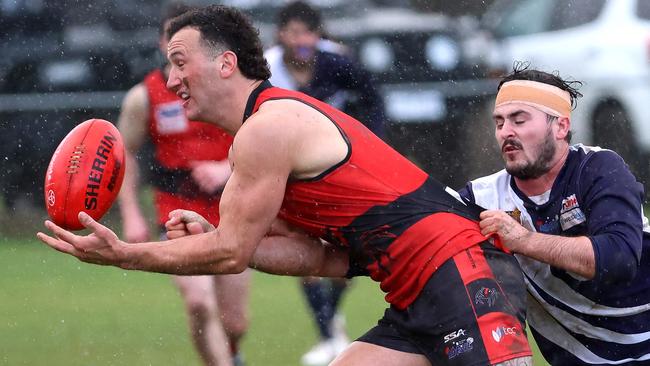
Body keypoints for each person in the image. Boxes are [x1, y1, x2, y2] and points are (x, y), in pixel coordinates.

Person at [37, 5, 533, 365]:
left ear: (226, 63)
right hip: (416, 293)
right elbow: (319, 259)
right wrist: (220, 234)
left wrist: (125, 254)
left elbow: (229, 254)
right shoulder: (257, 138)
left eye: (180, 60)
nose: (170, 79)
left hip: (465, 273)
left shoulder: (268, 129)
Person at [459, 64, 650, 365]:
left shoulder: (599, 169)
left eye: (519, 120)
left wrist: (523, 240)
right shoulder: (481, 198)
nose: (506, 132)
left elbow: (618, 258)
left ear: (561, 127)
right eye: (499, 123)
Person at [116, 3, 249, 365]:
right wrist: (131, 213)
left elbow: (263, 136)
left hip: (231, 207)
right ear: (162, 43)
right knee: (199, 303)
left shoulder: (228, 87)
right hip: (176, 210)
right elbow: (123, 152)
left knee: (234, 323)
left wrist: (226, 167)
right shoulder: (144, 96)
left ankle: (233, 355)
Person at [265, 2, 387, 364]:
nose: (301, 40)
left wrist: (371, 146)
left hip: (340, 173)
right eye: (294, 32)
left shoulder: (340, 64)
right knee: (304, 251)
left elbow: (374, 103)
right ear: (281, 34)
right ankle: (327, 337)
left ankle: (330, 325)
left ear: (318, 36)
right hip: (292, 173)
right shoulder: (268, 69)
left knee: (344, 257)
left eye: (308, 32)